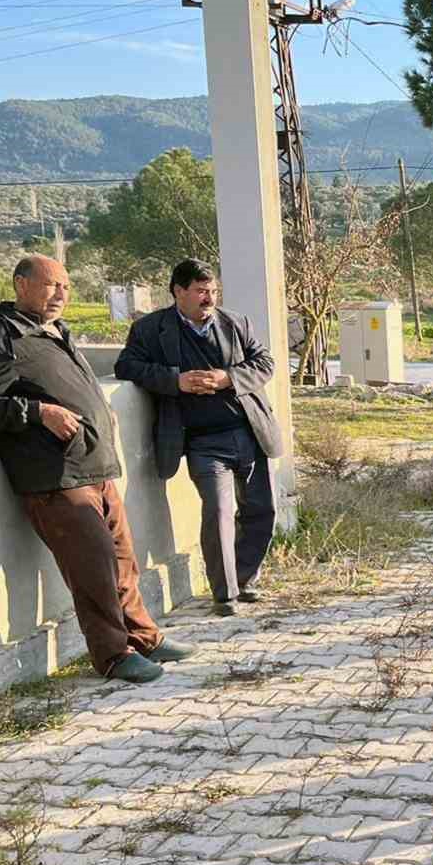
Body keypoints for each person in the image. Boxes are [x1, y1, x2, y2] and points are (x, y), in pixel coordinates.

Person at [0, 255, 196, 683]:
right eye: (51, 285)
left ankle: (145, 637)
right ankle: (113, 656)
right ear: (21, 285)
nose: (61, 294)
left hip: (95, 467)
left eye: (66, 286)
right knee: (93, 569)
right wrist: (38, 411)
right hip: (54, 477)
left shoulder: (56, 331)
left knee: (122, 562)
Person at [114, 259, 284, 617]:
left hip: (248, 432)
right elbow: (127, 367)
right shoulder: (149, 329)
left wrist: (228, 379)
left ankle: (244, 579)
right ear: (178, 291)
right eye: (201, 291)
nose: (210, 298)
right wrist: (174, 380)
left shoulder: (236, 323)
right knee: (219, 512)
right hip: (201, 441)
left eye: (213, 291)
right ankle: (224, 596)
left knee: (261, 511)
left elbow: (265, 363)